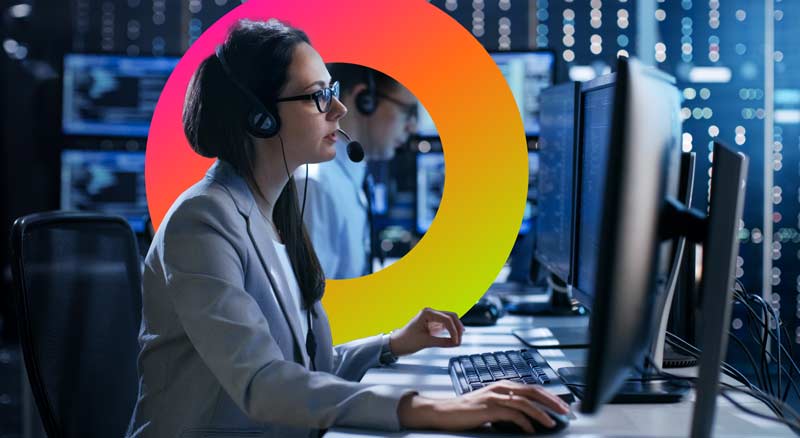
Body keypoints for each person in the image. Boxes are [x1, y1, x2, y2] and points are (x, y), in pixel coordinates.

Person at [126, 18, 569, 437]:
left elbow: (304, 369)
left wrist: (391, 345)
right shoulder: (202, 221)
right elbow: (263, 381)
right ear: (260, 117)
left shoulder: (277, 210)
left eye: (333, 91)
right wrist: (434, 409)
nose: (338, 109)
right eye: (318, 95)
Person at [295, 63, 418, 278]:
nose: (412, 127)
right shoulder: (317, 185)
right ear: (365, 101)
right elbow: (312, 305)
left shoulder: (349, 178)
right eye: (407, 111)